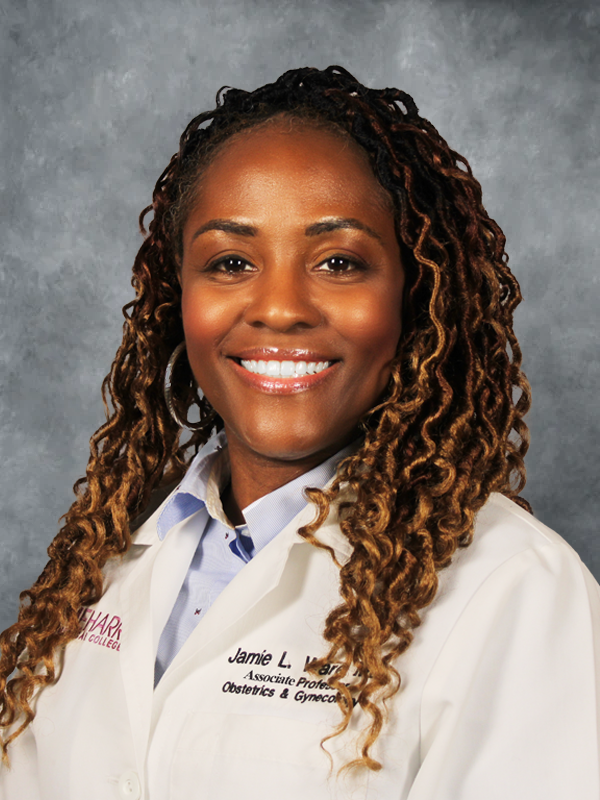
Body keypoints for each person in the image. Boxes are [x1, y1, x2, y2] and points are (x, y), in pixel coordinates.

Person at [0, 65, 598, 800]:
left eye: (339, 262)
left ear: (414, 295)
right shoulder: (107, 561)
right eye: (231, 262)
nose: (279, 308)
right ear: (175, 298)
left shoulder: (514, 590)